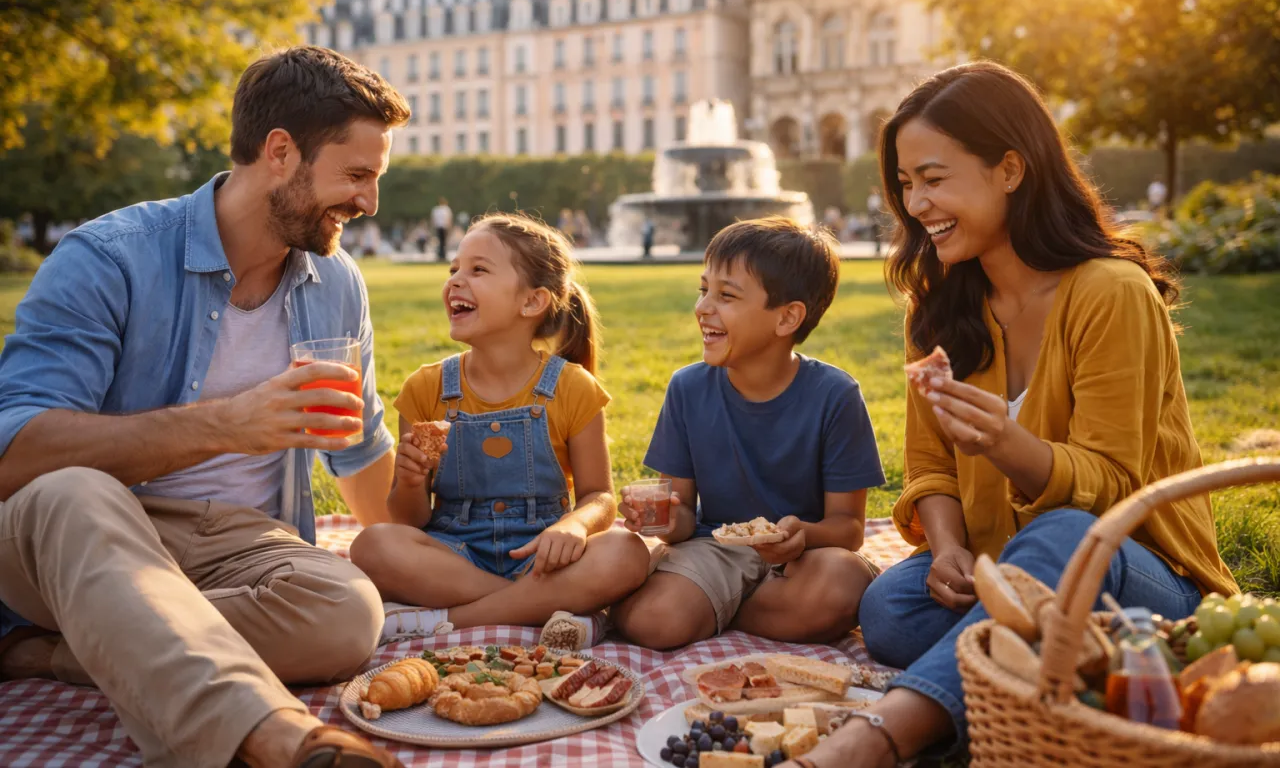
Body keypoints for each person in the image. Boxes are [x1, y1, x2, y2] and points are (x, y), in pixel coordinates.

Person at [779, 62, 1238, 768]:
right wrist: (949, 546)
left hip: (1137, 571)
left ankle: (878, 738)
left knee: (1064, 533)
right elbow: (930, 468)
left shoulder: (1110, 293)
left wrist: (1006, 442)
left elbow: (1114, 490)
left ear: (1010, 169)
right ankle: (1038, 662)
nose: (915, 203)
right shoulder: (938, 306)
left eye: (933, 178)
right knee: (890, 608)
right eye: (904, 183)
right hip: (1001, 571)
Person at [0, 46, 409, 767]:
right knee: (73, 490)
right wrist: (227, 424)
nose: (370, 203)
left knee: (349, 613)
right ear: (280, 152)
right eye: (356, 176)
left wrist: (441, 555)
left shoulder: (335, 279)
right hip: (90, 529)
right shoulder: (110, 258)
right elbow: (17, 452)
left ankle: (67, 652)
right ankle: (275, 739)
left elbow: (360, 445)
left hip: (238, 542)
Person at [350, 212, 649, 646]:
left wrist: (576, 527)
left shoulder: (572, 387)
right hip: (456, 557)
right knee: (372, 546)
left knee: (625, 553)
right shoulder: (425, 388)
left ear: (531, 302)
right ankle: (545, 610)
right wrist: (412, 482)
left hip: (542, 556)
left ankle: (447, 620)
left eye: (478, 269)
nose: (455, 280)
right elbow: (409, 521)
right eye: (453, 269)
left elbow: (599, 497)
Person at [612, 217, 886, 649]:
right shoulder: (688, 388)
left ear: (787, 318)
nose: (703, 308)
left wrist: (802, 536)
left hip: (804, 556)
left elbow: (848, 528)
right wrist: (661, 519)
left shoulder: (836, 395)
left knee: (842, 583)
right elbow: (683, 518)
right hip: (715, 548)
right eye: (703, 290)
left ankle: (713, 612)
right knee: (655, 621)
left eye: (726, 296)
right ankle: (716, 608)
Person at [431, 197, 454, 262]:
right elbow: (449, 219)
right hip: (444, 227)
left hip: (438, 227)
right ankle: (442, 255)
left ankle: (441, 255)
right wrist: (450, 227)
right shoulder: (446, 209)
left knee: (440, 242)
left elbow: (433, 219)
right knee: (443, 242)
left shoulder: (436, 209)